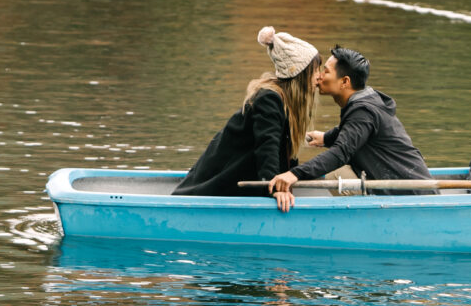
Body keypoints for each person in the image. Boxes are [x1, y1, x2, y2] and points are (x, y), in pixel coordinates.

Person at [268, 45, 430, 211]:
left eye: (326, 71)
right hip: (411, 188)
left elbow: (340, 153)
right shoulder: (366, 102)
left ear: (345, 82)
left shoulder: (363, 111)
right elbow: (352, 131)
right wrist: (326, 138)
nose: (319, 76)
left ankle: (363, 219)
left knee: (337, 174)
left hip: (411, 196)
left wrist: (294, 173)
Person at [174, 26, 320, 196]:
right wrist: (274, 190)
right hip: (214, 189)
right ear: (299, 74)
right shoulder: (270, 99)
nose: (319, 76)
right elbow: (267, 147)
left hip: (238, 183)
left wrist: (289, 180)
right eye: (315, 70)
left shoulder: (286, 102)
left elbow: (285, 153)